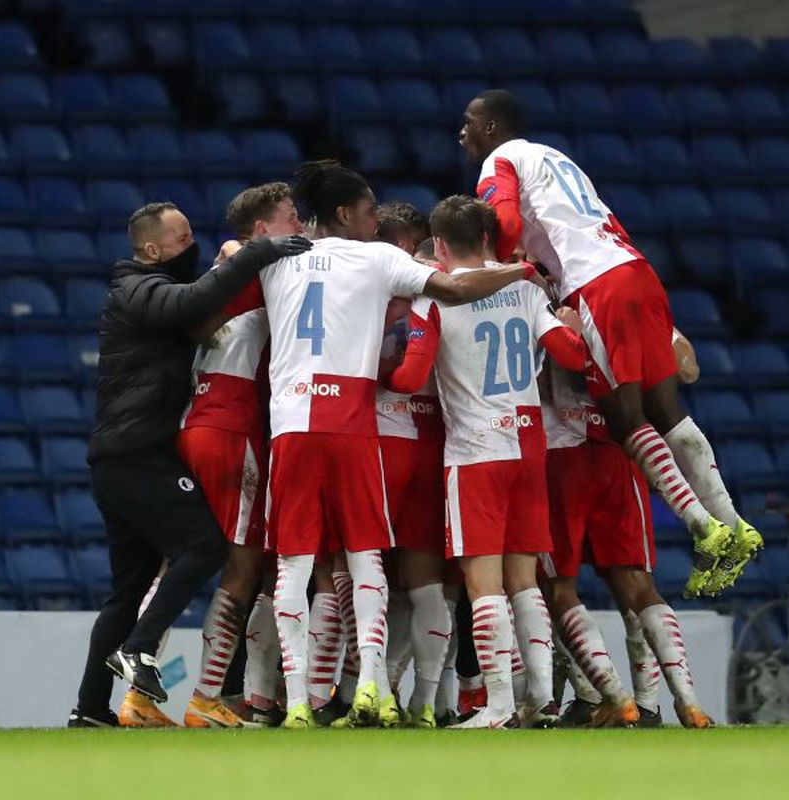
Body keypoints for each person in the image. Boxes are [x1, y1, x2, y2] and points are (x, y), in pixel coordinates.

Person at [223, 160, 548, 729]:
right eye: (371, 210)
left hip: (292, 425)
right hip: (352, 423)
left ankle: (297, 698)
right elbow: (451, 285)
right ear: (346, 214)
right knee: (366, 556)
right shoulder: (379, 259)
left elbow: (229, 258)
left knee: (294, 566)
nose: (376, 220)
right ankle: (374, 684)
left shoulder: (276, 256)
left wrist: (235, 249)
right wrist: (518, 273)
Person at [460, 89, 762, 598]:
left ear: (492, 126)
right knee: (669, 410)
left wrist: (498, 269)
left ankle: (703, 530)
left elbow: (507, 224)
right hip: (635, 270)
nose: (461, 133)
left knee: (626, 419)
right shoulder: (559, 158)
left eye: (468, 122)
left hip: (596, 284)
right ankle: (735, 524)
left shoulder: (500, 158)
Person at [67, 201, 310, 728]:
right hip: (139, 454)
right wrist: (258, 251)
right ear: (152, 249)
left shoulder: (146, 291)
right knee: (202, 546)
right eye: (181, 240)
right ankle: (141, 650)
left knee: (128, 590)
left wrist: (236, 258)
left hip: (123, 456)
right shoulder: (138, 290)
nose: (191, 245)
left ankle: (90, 708)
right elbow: (197, 297)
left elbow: (201, 301)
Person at [386, 195, 592, 729]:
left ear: (439, 243)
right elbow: (572, 355)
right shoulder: (522, 286)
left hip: (476, 452)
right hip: (528, 445)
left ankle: (497, 706)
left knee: (483, 586)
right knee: (525, 580)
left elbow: (411, 377)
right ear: (485, 239)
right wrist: (569, 322)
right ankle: (542, 698)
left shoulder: (435, 300)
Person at [540, 363, 711, 729]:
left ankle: (612, 697)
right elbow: (684, 364)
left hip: (558, 455)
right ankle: (681, 702)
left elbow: (532, 381)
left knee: (556, 589)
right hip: (620, 451)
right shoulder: (618, 309)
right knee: (638, 587)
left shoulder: (541, 305)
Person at [373, 202, 452, 728]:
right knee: (422, 583)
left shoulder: (368, 289)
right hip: (431, 445)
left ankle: (371, 694)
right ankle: (422, 702)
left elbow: (399, 372)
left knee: (358, 573)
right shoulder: (447, 291)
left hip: (380, 443)